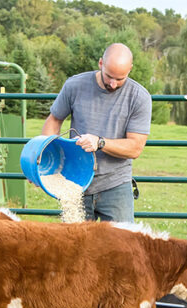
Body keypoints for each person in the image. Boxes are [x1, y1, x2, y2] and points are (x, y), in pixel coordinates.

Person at [42, 43, 152, 223]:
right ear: (101, 63)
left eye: (120, 78)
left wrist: (100, 142)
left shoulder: (140, 97)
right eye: (109, 76)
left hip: (116, 183)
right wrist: (42, 157)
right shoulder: (75, 85)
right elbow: (54, 120)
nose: (113, 83)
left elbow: (135, 147)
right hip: (75, 181)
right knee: (75, 246)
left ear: (130, 69)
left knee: (121, 247)